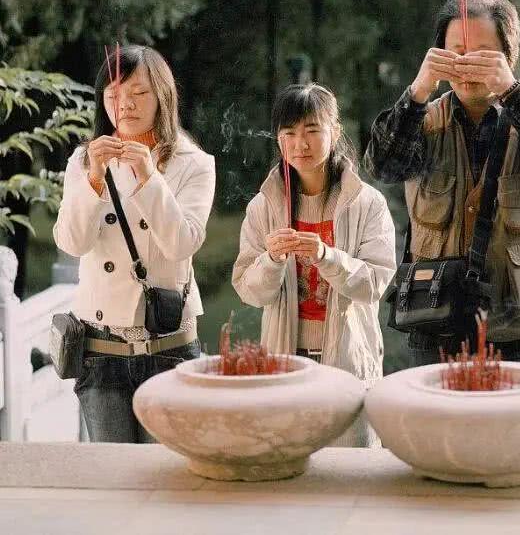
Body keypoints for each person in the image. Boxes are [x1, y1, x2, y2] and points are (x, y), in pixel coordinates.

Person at [365, 0, 520, 366]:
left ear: (508, 56)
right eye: (456, 51)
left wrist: (514, 94)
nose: (467, 63)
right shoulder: (421, 121)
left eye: (483, 52)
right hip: (434, 322)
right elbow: (384, 166)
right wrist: (418, 90)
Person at [53, 44, 216, 442]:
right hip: (100, 347)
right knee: (114, 481)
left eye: (138, 93)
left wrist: (148, 177)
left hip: (170, 345)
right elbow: (72, 242)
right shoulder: (83, 161)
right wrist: (94, 178)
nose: (124, 104)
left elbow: (183, 244)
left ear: (162, 94)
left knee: (166, 479)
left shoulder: (194, 163)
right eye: (113, 95)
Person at [232, 83, 395, 447]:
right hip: (285, 361)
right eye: (289, 133)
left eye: (312, 131)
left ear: (335, 132)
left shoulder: (366, 204)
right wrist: (272, 259)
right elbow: (249, 290)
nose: (299, 144)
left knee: (350, 473)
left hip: (349, 361)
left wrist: (326, 256)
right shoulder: (264, 206)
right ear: (278, 140)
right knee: (288, 468)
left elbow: (375, 284)